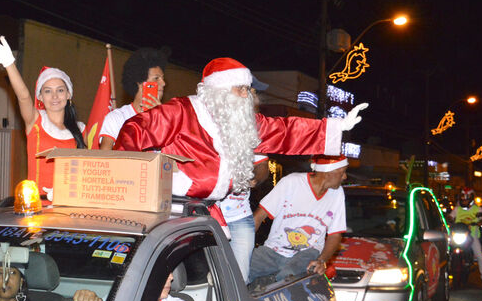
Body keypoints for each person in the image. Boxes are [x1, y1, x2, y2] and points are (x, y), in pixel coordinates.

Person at [114, 57, 367, 202]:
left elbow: (286, 132)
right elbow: (133, 131)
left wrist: (338, 126)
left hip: (210, 209)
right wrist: (137, 182)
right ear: (219, 90)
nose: (246, 96)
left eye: (247, 90)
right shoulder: (181, 111)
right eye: (240, 89)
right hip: (175, 205)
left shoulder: (243, 122)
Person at [0, 35, 86, 200]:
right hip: (36, 209)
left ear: (69, 94)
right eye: (48, 91)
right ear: (41, 97)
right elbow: (23, 96)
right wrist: (9, 64)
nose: (55, 96)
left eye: (60, 90)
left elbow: (88, 174)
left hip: (70, 208)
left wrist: (64, 192)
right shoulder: (35, 121)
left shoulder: (82, 130)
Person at [248, 155, 348, 288]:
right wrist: (242, 250)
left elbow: (335, 234)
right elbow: (259, 216)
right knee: (239, 272)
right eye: (342, 172)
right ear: (329, 172)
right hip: (273, 251)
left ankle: (272, 286)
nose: (345, 177)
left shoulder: (337, 194)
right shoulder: (292, 183)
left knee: (287, 279)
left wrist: (321, 260)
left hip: (307, 254)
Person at [216, 77, 271, 282]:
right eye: (253, 92)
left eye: (255, 93)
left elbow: (263, 166)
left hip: (240, 215)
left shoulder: (253, 128)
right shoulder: (213, 121)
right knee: (211, 274)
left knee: (240, 279)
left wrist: (254, 178)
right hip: (211, 214)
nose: (256, 97)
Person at [98, 47, 168, 150]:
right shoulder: (117, 117)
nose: (163, 83)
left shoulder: (168, 120)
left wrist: (161, 118)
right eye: (156, 78)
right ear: (139, 83)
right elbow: (104, 158)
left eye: (163, 78)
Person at [450, 187, 482, 285]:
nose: (464, 200)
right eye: (463, 198)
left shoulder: (477, 209)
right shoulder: (457, 209)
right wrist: (449, 220)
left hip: (472, 235)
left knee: (479, 255)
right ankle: (444, 272)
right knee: (445, 250)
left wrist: (480, 221)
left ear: (471, 198)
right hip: (457, 234)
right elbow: (450, 217)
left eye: (466, 198)